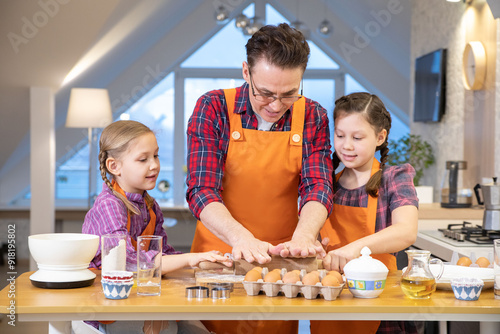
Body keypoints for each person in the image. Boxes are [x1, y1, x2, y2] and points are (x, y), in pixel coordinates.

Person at [186, 23, 333, 333]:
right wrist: (240, 238)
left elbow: (317, 186)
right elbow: (201, 190)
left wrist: (306, 235)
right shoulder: (212, 108)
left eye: (289, 94)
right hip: (220, 258)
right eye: (265, 93)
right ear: (245, 72)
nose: (276, 106)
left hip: (281, 263)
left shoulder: (313, 116)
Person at [83, 120, 231, 334]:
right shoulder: (109, 206)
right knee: (167, 329)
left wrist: (200, 266)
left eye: (156, 155)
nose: (154, 165)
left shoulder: (150, 205)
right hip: (111, 307)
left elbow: (164, 254)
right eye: (143, 159)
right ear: (114, 166)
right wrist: (190, 258)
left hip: (142, 294)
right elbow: (127, 263)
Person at [310, 92, 419, 334]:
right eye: (339, 135)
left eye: (357, 137)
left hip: (380, 306)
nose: (346, 145)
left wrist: (351, 249)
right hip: (331, 303)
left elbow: (406, 231)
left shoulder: (394, 178)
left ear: (380, 137)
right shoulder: (325, 184)